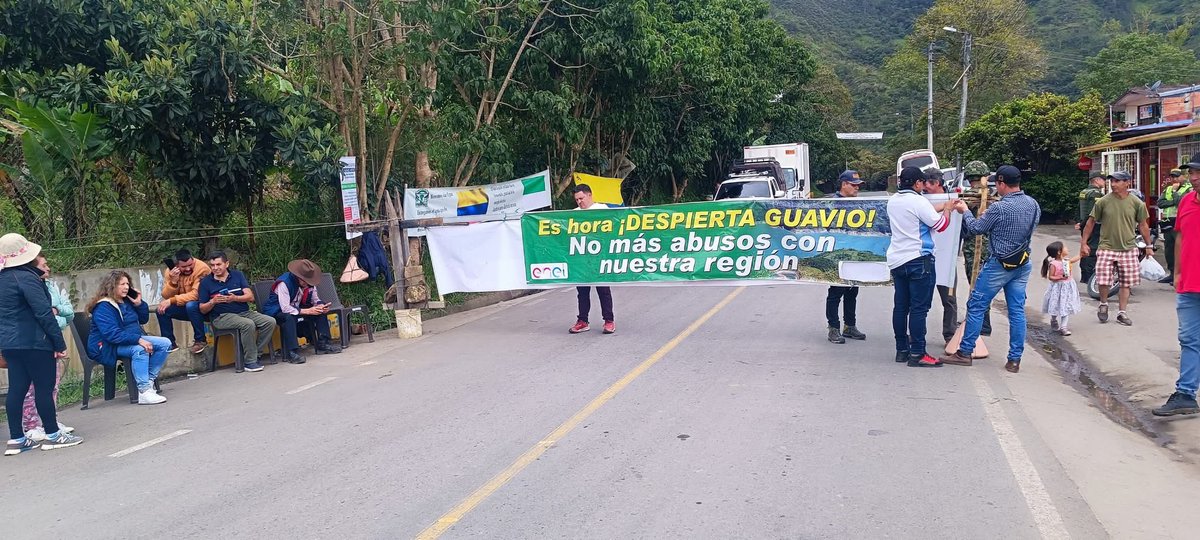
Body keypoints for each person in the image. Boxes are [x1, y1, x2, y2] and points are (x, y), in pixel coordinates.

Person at [946, 165, 1041, 373]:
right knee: (1016, 311)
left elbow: (976, 228)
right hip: (1022, 263)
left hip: (999, 264)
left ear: (1001, 183)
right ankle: (1014, 359)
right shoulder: (1033, 204)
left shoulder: (999, 208)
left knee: (977, 305)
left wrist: (964, 212)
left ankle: (964, 352)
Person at [1, 233, 83, 455]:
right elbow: (43, 313)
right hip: (36, 342)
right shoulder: (27, 278)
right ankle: (53, 435)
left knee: (16, 389)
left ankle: (17, 439)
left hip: (9, 343)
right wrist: (58, 342)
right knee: (44, 388)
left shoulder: (2, 279)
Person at [887, 166, 958, 367]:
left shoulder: (894, 201)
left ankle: (902, 350)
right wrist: (948, 209)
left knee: (901, 307)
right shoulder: (918, 201)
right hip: (919, 260)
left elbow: (919, 215)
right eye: (921, 183)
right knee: (919, 309)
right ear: (917, 183)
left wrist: (942, 206)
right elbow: (941, 226)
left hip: (897, 261)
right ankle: (918, 353)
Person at [1155, 153, 1200, 416]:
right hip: (1189, 287)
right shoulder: (1186, 201)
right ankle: (1185, 394)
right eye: (1192, 173)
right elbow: (1181, 236)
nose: (1193, 178)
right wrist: (1177, 273)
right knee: (1189, 341)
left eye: (1198, 174)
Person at [85, 270, 171, 405]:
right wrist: (139, 340)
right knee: (139, 350)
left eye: (127, 284)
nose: (126, 287)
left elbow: (143, 319)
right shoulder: (104, 306)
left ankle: (147, 381)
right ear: (111, 286)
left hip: (129, 339)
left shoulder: (127, 301)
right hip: (107, 346)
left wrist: (139, 304)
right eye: (122, 284)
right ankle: (143, 392)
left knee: (165, 343)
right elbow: (112, 334)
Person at [1080, 171, 1154, 326]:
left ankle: (1122, 312)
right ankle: (1104, 304)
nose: (1113, 184)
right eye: (1111, 181)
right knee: (1103, 280)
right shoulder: (1103, 201)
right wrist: (1084, 243)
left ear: (1127, 182)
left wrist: (1148, 246)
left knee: (1125, 283)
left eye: (1117, 181)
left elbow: (1143, 225)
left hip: (1128, 248)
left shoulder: (1136, 203)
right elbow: (1090, 222)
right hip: (1106, 247)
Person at [21, 255, 75, 440]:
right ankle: (31, 424)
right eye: (44, 265)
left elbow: (69, 313)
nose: (48, 268)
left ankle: (50, 420)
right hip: (36, 343)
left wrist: (57, 312)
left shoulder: (51, 286)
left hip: (53, 339)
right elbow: (40, 317)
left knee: (53, 385)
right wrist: (54, 316)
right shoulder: (28, 287)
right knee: (31, 388)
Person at [198, 251, 277, 372]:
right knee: (247, 324)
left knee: (270, 321)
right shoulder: (205, 283)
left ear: (227, 264)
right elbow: (202, 309)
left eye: (218, 264)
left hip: (244, 312)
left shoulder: (237, 275)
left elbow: (250, 297)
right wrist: (213, 301)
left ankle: (256, 354)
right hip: (221, 317)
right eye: (212, 265)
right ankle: (250, 362)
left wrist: (234, 298)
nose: (215, 268)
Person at [261, 259, 342, 363]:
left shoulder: (310, 283)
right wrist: (308, 311)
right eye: (305, 281)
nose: (307, 283)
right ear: (298, 277)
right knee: (288, 318)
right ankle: (292, 352)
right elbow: (285, 308)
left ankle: (323, 343)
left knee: (320, 312)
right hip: (277, 311)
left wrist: (321, 306)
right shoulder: (284, 283)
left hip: (297, 308)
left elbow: (315, 299)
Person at [825, 170, 867, 344]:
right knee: (836, 292)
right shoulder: (831, 205)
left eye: (858, 185)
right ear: (843, 184)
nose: (857, 188)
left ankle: (850, 326)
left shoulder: (858, 205)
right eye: (853, 184)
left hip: (854, 253)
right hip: (837, 255)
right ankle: (833, 328)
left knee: (852, 290)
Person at [568, 184, 616, 335]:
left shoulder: (602, 210)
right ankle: (582, 321)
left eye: (581, 198)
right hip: (581, 260)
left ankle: (609, 321)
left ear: (590, 195)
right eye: (576, 200)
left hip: (599, 257)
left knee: (603, 290)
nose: (579, 202)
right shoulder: (573, 214)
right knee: (582, 291)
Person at [922, 167, 958, 343]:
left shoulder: (953, 199)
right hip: (923, 258)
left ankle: (950, 335)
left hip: (946, 258)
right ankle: (917, 336)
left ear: (936, 183)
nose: (923, 187)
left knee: (949, 299)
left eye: (926, 183)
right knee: (921, 301)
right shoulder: (919, 201)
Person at [157, 248, 211, 354]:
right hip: (185, 306)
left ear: (193, 260)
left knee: (191, 305)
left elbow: (196, 295)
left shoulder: (202, 269)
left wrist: (172, 300)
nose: (187, 269)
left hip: (204, 307)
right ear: (177, 265)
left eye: (190, 265)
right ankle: (169, 343)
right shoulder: (170, 272)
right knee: (161, 310)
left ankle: (200, 340)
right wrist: (173, 282)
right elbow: (165, 295)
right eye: (183, 267)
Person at [960, 162, 993, 336]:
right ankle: (980, 321)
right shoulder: (994, 196)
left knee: (975, 285)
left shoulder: (967, 198)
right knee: (983, 285)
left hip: (974, 248)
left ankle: (981, 323)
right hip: (990, 248)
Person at [1041, 241, 1082, 336]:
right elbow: (1051, 277)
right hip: (1058, 287)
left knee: (1065, 305)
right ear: (1059, 252)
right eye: (1065, 248)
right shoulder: (1053, 264)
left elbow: (1073, 260)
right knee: (1056, 304)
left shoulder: (1066, 261)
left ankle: (1063, 326)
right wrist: (1060, 277)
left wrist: (1081, 254)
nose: (1067, 249)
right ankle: (1054, 319)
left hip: (1067, 287)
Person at [1157, 168, 1190, 284]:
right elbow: (1160, 203)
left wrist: (1175, 193)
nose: (1174, 179)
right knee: (1169, 250)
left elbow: (1181, 203)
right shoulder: (1168, 189)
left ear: (1183, 177)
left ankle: (1181, 274)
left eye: (1176, 176)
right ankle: (1172, 273)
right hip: (1168, 223)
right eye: (1172, 177)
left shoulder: (1189, 188)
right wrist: (1172, 201)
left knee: (1181, 249)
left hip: (1180, 222)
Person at [1077, 174, 1106, 284]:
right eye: (1103, 180)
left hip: (1084, 224)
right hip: (1093, 225)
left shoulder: (1084, 191)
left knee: (1085, 247)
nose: (1105, 182)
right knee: (1092, 249)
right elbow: (1093, 213)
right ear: (1097, 180)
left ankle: (1084, 275)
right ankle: (1089, 276)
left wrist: (1080, 223)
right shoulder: (1096, 193)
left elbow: (1079, 208)